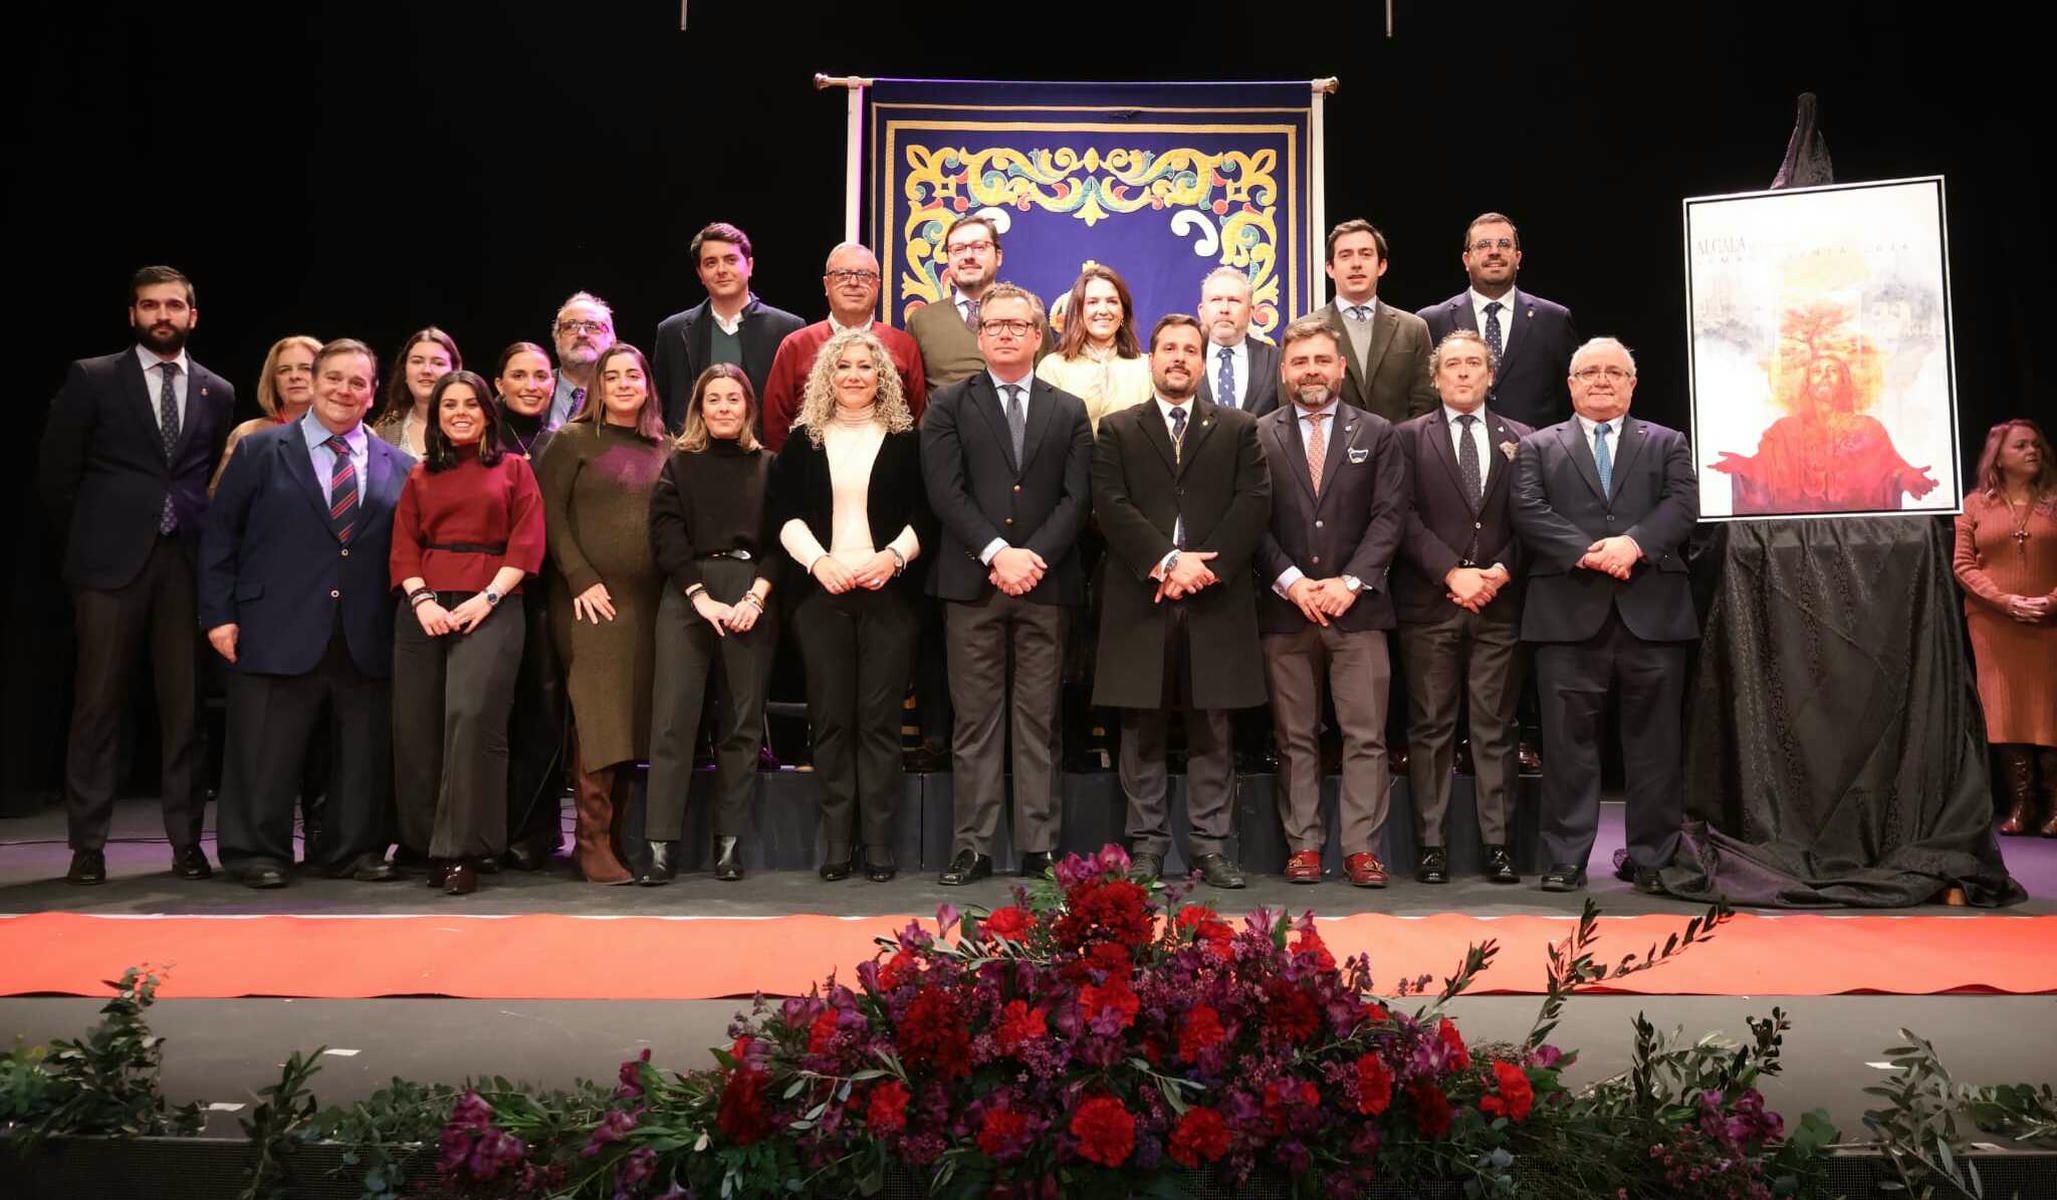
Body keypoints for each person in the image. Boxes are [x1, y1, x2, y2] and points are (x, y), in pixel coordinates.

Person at [38, 265, 236, 885]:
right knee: (98, 706)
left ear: (192, 315)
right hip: (109, 566)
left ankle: (186, 844)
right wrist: (92, 544)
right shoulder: (94, 377)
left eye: (174, 305)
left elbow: (209, 480)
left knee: (184, 711)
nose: (162, 315)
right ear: (133, 314)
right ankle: (88, 845)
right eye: (150, 305)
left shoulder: (216, 391)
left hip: (185, 565)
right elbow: (57, 476)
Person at [201, 338, 411, 888]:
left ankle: (350, 850)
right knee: (265, 748)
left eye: (358, 383)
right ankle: (256, 853)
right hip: (275, 622)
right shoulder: (260, 451)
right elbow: (219, 539)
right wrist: (218, 615)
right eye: (334, 378)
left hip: (365, 630)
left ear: (372, 395)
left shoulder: (401, 465)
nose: (345, 390)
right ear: (313, 384)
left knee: (361, 753)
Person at [1511, 338, 1698, 894]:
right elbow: (1528, 511)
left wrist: (1633, 545)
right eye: (1588, 371)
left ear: (1632, 383)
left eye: (1613, 372)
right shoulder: (1539, 446)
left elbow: (1683, 505)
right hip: (1566, 614)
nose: (1600, 380)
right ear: (1570, 384)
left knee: (1655, 747)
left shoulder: (1666, 442)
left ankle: (1653, 859)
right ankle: (1566, 857)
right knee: (1567, 748)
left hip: (1653, 615)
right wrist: (1591, 551)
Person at [921, 284, 1093, 885]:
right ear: (979, 334)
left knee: (1039, 719)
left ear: (1038, 334)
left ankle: (1039, 846)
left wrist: (1032, 557)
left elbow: (1079, 498)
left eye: (1017, 326)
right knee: (976, 720)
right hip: (973, 584)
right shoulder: (947, 404)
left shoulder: (1067, 409)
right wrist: (997, 552)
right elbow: (945, 492)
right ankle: (973, 846)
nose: (1004, 334)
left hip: (1044, 586)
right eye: (993, 325)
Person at [1091, 314, 1270, 888]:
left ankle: (1210, 845)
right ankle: (1144, 845)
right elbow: (1110, 505)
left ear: (1201, 360)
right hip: (1140, 597)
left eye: (1190, 350)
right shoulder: (1117, 429)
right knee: (1140, 725)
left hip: (1214, 598)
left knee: (1211, 727)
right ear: (1151, 359)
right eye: (1168, 348)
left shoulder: (1240, 428)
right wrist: (1167, 562)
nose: (1179, 358)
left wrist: (1200, 568)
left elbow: (1252, 504)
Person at [767, 329, 929, 882]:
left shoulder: (907, 439)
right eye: (844, 367)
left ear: (882, 376)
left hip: (889, 593)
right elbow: (783, 515)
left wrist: (892, 558)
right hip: (822, 594)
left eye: (866, 366)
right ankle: (838, 842)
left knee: (879, 723)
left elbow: (925, 515)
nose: (855, 375)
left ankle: (879, 844)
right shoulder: (804, 439)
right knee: (833, 721)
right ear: (827, 377)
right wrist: (820, 563)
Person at [1252, 316, 1407, 886]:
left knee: (1365, 735)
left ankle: (1362, 847)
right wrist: (1292, 581)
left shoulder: (1378, 432)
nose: (1311, 371)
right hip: (1285, 610)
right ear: (1284, 371)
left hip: (1358, 610)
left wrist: (1350, 582)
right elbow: (1253, 522)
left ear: (1341, 367)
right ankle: (1305, 846)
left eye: (1321, 360)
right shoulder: (1259, 433)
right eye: (1300, 362)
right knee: (1295, 736)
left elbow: (1390, 518)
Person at [388, 371, 545, 896]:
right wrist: (421, 599)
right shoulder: (420, 475)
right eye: (448, 405)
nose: (458, 412)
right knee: (418, 726)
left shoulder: (515, 470)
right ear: (436, 417)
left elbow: (526, 545)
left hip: (494, 602)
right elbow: (404, 544)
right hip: (425, 605)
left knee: (470, 719)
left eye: (469, 405)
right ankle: (422, 842)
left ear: (486, 413)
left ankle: (463, 850)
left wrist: (488, 598)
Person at [1394, 331, 1533, 885]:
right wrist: (1451, 571)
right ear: (1435, 377)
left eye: (1474, 363)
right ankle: (1432, 844)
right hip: (1431, 603)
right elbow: (1398, 516)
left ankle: (1497, 844)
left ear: (1490, 375)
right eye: (1452, 365)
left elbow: (1535, 518)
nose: (1463, 373)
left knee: (1496, 727)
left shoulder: (1524, 439)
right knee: (1430, 726)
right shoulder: (1405, 439)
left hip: (1499, 605)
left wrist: (1497, 572)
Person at [536, 344, 670, 884]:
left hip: (652, 605)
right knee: (599, 716)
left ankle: (615, 839)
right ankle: (589, 841)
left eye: (631, 374)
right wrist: (581, 579)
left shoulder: (667, 446)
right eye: (610, 375)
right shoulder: (571, 441)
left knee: (634, 719)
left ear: (646, 383)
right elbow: (549, 516)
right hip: (592, 602)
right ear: (596, 386)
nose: (621, 383)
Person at [644, 366, 780, 884]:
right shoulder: (679, 465)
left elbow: (780, 541)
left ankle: (729, 844)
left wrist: (755, 597)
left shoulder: (769, 466)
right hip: (688, 593)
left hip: (750, 592)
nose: (724, 408)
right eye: (714, 400)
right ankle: (660, 846)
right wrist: (699, 595)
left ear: (748, 406)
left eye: (733, 399)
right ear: (699, 408)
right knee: (673, 720)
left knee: (742, 724)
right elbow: (666, 535)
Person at [1953, 419, 2057, 834]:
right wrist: (2005, 601)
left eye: (2037, 444)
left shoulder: (2054, 501)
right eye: (2021, 445)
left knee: (2049, 711)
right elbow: (1963, 565)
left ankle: (2055, 806)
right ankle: (2022, 805)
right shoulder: (1975, 505)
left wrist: (2048, 602)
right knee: (2005, 712)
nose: (2033, 451)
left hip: (2049, 623)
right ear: (1999, 456)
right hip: (1994, 624)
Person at [494, 342, 569, 866]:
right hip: (487, 589)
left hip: (550, 591)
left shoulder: (561, 439)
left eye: (541, 375)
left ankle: (534, 835)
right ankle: (485, 831)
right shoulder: (479, 435)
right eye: (518, 375)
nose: (530, 384)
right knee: (492, 714)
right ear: (497, 382)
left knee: (543, 715)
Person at [1712, 351, 1940, 513]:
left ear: (1844, 382)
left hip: (1856, 533)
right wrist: (1745, 467)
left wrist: (1906, 477)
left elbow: (1890, 469)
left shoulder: (1868, 428)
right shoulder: (1784, 431)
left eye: (1832, 371)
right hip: (1797, 535)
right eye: (1817, 371)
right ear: (1807, 383)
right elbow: (1766, 471)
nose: (1824, 375)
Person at [1418, 212, 1580, 430]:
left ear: (1518, 257)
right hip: (1457, 455)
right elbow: (1423, 400)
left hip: (1536, 456)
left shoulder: (1554, 320)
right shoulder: (1431, 321)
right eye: (1483, 245)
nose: (1494, 252)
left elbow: (1571, 399)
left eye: (1504, 244)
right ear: (1466, 259)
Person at [760, 242, 928, 451]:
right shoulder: (795, 345)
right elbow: (776, 422)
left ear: (878, 285)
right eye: (842, 274)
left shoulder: (903, 345)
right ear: (826, 284)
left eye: (865, 275)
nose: (853, 282)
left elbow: (917, 413)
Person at [652, 222, 805, 432]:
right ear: (700, 274)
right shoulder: (672, 331)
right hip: (691, 456)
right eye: (711, 263)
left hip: (764, 457)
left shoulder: (788, 329)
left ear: (749, 266)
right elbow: (661, 405)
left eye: (731, 260)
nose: (721, 270)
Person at [1310, 219, 1436, 424]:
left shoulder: (1413, 329)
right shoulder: (1305, 330)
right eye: (1345, 255)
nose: (1356, 263)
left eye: (1366, 254)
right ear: (1330, 268)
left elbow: (1426, 402)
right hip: (1330, 453)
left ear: (1382, 265)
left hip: (1399, 451)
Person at [906, 215, 1052, 387]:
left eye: (979, 247)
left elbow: (1046, 387)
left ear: (998, 256)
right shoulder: (921, 320)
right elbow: (911, 396)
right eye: (958, 249)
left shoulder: (1028, 311)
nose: (968, 256)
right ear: (948, 259)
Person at [1034, 264, 1154, 433]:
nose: (1103, 310)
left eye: (1112, 301)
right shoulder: (1052, 367)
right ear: (1079, 311)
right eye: (1093, 302)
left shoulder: (1146, 367)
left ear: (1123, 313)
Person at [212, 335, 322, 492]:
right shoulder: (248, 433)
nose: (294, 376)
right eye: (284, 370)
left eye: (306, 368)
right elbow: (222, 500)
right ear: (273, 380)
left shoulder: (347, 433)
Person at [1193, 266, 1279, 416]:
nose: (1224, 309)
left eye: (1234, 301)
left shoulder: (1276, 360)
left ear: (1251, 311)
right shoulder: (1186, 360)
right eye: (1216, 300)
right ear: (1201, 311)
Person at [370, 327, 461, 457]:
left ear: (455, 371)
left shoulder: (471, 425)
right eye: (417, 361)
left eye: (438, 363)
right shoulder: (385, 431)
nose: (426, 370)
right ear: (405, 372)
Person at [545, 293, 615, 429]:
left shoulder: (627, 393)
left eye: (593, 326)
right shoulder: (533, 389)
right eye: (570, 326)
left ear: (611, 339)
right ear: (557, 339)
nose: (582, 334)